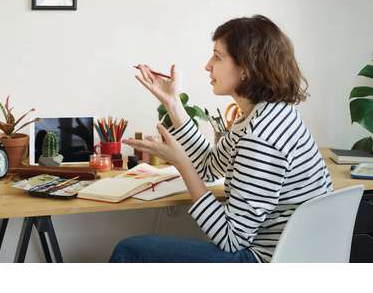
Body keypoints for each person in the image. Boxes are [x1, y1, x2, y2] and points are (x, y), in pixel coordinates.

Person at [109, 15, 333, 263]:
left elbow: (231, 239)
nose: (208, 65)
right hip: (289, 255)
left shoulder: (260, 136)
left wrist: (182, 164)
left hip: (266, 261)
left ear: (246, 68)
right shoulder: (270, 113)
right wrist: (173, 104)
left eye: (217, 56)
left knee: (129, 251)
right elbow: (209, 166)